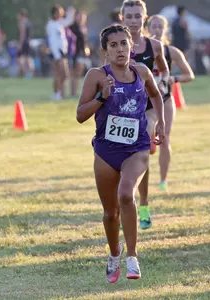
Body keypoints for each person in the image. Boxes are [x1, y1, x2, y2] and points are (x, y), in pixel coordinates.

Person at [75, 24, 165, 283]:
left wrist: (159, 123)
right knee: (109, 213)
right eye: (113, 45)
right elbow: (80, 115)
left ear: (131, 46)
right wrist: (102, 97)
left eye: (123, 44)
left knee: (126, 194)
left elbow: (156, 96)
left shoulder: (142, 72)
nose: (120, 49)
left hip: (137, 147)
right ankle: (115, 254)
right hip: (106, 151)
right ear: (104, 51)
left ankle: (132, 257)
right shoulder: (96, 75)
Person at [121, 0, 170, 230]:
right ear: (122, 18)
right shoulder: (116, 45)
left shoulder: (154, 46)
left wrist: (161, 82)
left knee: (143, 144)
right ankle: (124, 203)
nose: (133, 21)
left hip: (148, 108)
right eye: (129, 16)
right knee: (123, 158)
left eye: (137, 16)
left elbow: (164, 69)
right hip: (122, 110)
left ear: (144, 18)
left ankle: (143, 205)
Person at [146, 15, 195, 192]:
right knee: (143, 139)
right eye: (154, 26)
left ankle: (162, 180)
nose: (157, 30)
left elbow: (189, 74)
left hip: (166, 98)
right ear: (148, 28)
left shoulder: (171, 51)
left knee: (164, 137)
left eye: (160, 27)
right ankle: (138, 177)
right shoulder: (139, 50)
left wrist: (173, 78)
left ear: (165, 30)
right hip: (145, 100)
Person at [46, 5, 75, 101]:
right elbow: (52, 41)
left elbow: (69, 21)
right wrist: (56, 55)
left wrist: (71, 12)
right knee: (58, 74)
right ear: (54, 13)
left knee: (64, 74)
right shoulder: (51, 24)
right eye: (59, 12)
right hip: (57, 53)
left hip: (63, 52)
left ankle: (59, 92)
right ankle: (56, 94)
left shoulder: (59, 23)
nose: (60, 14)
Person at [69, 10, 90, 97]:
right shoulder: (72, 27)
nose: (81, 18)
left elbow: (85, 41)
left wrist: (87, 49)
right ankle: (73, 93)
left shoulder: (83, 27)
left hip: (83, 53)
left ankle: (77, 92)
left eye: (82, 16)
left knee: (80, 74)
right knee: (75, 74)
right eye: (79, 16)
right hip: (75, 53)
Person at [17, 9, 34, 78]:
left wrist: (20, 44)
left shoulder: (22, 23)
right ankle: (30, 73)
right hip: (28, 42)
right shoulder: (28, 22)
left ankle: (26, 73)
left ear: (22, 15)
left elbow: (22, 34)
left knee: (20, 58)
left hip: (24, 42)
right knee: (28, 58)